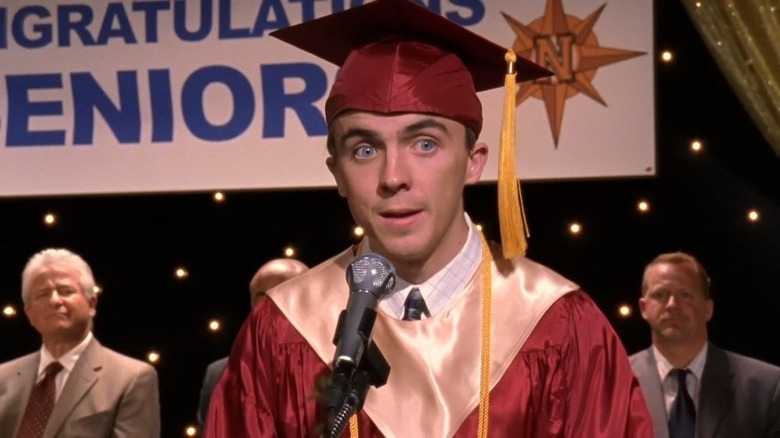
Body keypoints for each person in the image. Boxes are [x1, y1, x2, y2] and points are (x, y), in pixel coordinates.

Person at [205, 0, 653, 436]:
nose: (393, 177)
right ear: (336, 173)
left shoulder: (560, 325)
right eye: (364, 149)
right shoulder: (283, 329)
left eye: (424, 144)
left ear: (473, 162)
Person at [0, 248, 160, 437]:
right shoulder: (3, 377)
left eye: (65, 291)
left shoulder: (131, 378)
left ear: (92, 304)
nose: (55, 300)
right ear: (29, 314)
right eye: (43, 294)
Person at [631, 251, 780, 438]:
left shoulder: (767, 387)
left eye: (685, 295)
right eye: (660, 295)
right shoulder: (613, 384)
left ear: (708, 309)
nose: (672, 304)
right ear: (643, 308)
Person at [197, 258, 309, 428]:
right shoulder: (219, 375)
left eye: (287, 294)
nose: (275, 307)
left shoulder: (342, 371)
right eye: (264, 298)